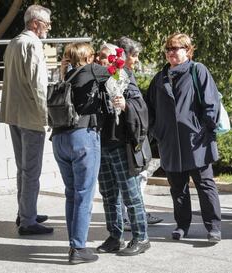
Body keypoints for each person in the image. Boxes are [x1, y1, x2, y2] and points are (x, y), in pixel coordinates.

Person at [146, 33, 222, 243]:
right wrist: (157, 131)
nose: (171, 53)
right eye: (168, 49)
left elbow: (211, 103)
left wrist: (203, 128)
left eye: (176, 48)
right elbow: (149, 108)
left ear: (188, 50)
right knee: (177, 188)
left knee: (205, 185)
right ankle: (182, 225)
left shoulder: (198, 71)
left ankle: (213, 227)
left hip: (197, 140)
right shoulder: (159, 78)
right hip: (169, 142)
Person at [53, 42, 109, 264]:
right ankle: (78, 248)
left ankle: (73, 244)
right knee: (84, 194)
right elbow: (118, 75)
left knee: (71, 193)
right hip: (82, 137)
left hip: (59, 139)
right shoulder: (93, 70)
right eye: (94, 55)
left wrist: (62, 68)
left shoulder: (63, 77)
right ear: (88, 57)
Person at [0, 4, 53, 235]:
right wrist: (46, 116)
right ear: (35, 23)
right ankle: (28, 220)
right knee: (31, 170)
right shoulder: (32, 44)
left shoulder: (13, 42)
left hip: (14, 113)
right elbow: (38, 84)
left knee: (24, 168)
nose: (48, 29)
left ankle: (25, 211)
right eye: (47, 24)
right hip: (30, 116)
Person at [96, 38, 151, 256]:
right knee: (109, 195)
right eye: (99, 56)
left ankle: (141, 237)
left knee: (131, 195)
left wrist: (125, 105)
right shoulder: (96, 77)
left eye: (104, 56)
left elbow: (141, 107)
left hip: (121, 145)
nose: (101, 59)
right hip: (102, 145)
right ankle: (114, 236)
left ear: (115, 58)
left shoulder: (124, 77)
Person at [116, 36, 164, 229]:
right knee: (126, 179)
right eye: (134, 55)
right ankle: (127, 218)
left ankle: (137, 213)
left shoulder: (127, 72)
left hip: (136, 134)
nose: (136, 60)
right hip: (127, 136)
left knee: (138, 177)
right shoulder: (118, 74)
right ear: (123, 55)